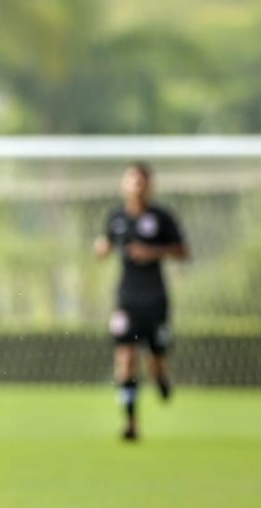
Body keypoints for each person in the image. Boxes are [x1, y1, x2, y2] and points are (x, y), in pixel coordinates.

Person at [94, 161, 189, 441]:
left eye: (142, 181)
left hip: (156, 298)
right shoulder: (116, 217)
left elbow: (182, 250)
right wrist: (101, 248)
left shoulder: (161, 217)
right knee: (125, 359)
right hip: (126, 298)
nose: (137, 186)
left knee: (156, 360)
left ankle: (161, 378)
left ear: (150, 186)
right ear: (124, 184)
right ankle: (131, 423)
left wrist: (152, 252)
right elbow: (106, 244)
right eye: (132, 180)